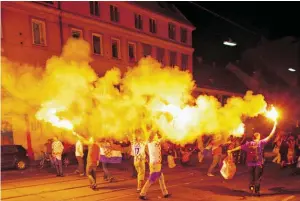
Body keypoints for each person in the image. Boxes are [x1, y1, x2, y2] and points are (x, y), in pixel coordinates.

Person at [228, 120, 277, 196]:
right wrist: (275, 125)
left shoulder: (248, 144)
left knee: (251, 177)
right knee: (257, 178)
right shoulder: (261, 142)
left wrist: (231, 150)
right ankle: (256, 192)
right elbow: (270, 136)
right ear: (258, 137)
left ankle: (251, 188)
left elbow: (240, 147)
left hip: (250, 163)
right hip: (258, 163)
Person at [139, 129, 171, 200]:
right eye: (155, 135)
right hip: (155, 164)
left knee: (161, 178)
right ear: (152, 137)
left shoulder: (154, 142)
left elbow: (162, 139)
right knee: (152, 179)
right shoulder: (152, 143)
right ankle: (142, 193)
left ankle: (165, 193)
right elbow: (159, 138)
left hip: (157, 163)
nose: (156, 136)